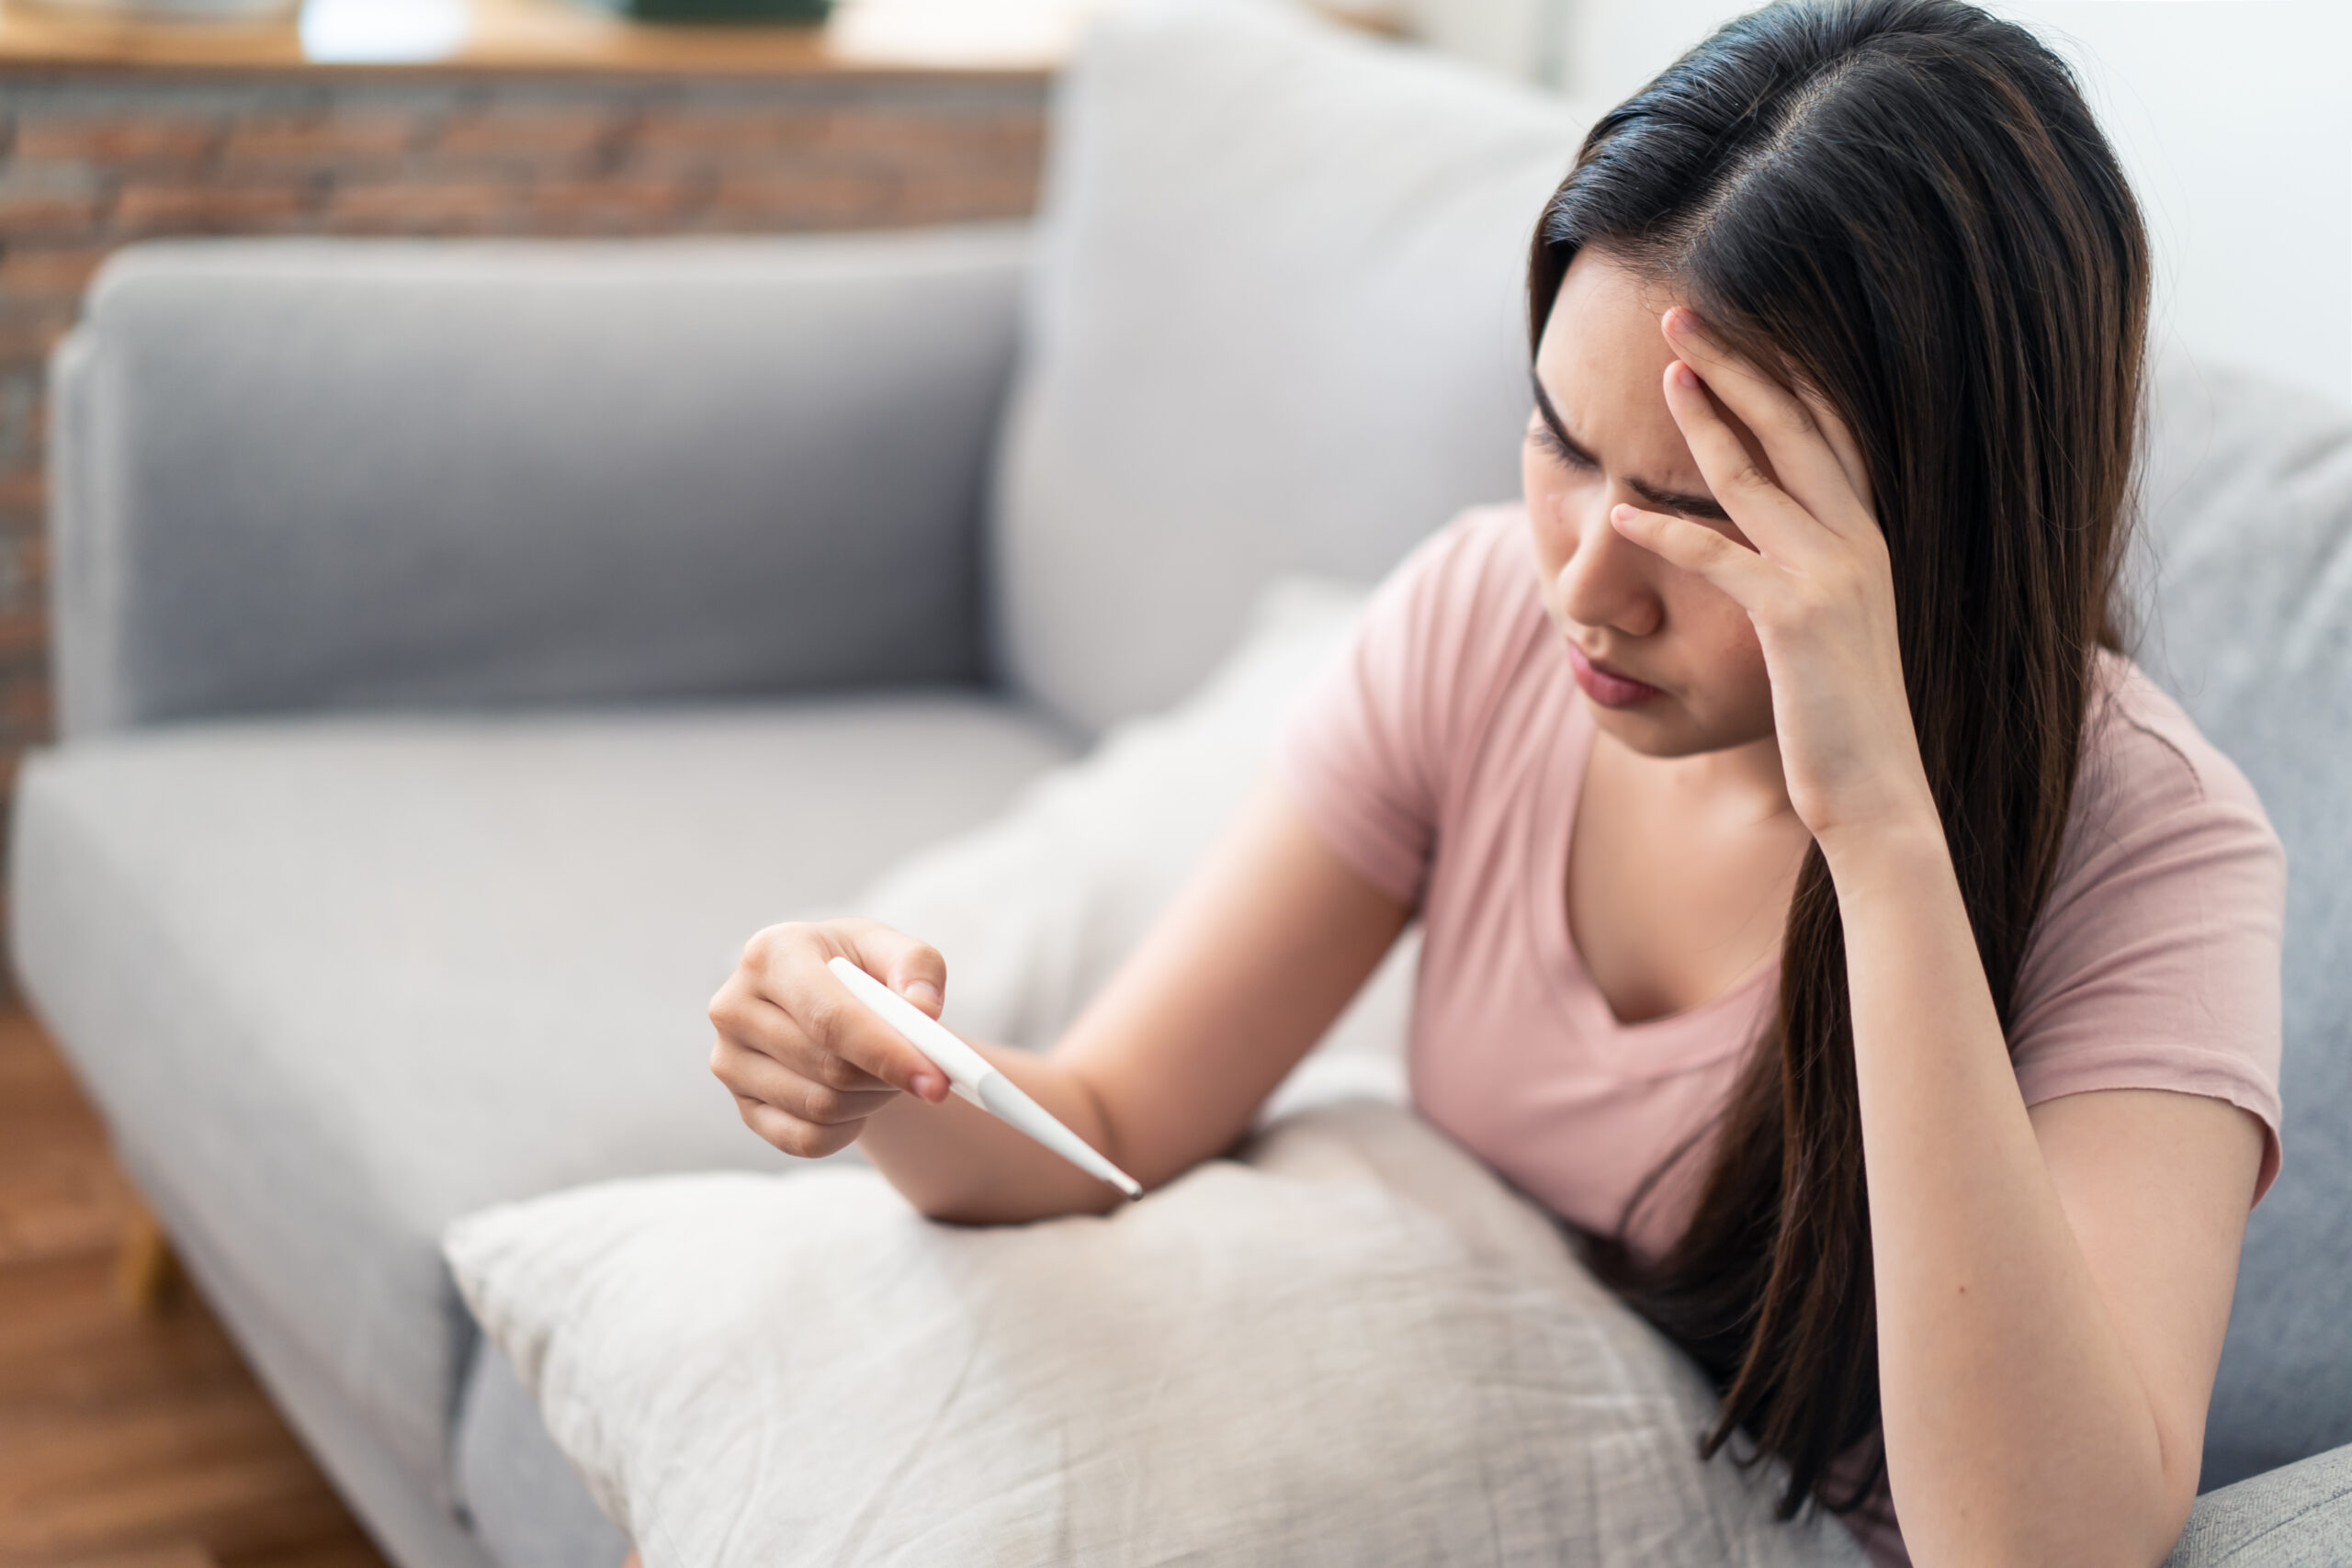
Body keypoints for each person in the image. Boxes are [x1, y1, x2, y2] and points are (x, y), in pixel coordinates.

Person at [705, 2, 2285, 1562]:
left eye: (1696, 514)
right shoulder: (1480, 623)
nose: (1588, 587)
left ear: (1942, 516)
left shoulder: (2148, 847)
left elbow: (2040, 1551)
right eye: (1560, 442)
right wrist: (879, 1074)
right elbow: (1115, 1114)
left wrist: (1879, 836)